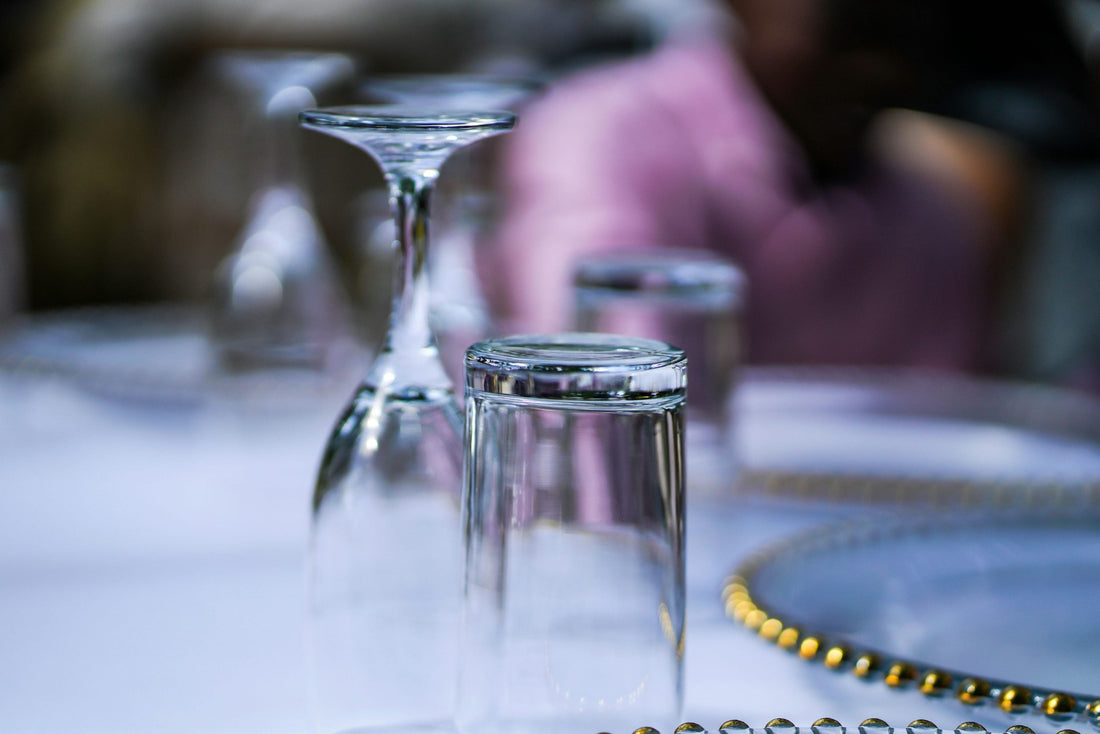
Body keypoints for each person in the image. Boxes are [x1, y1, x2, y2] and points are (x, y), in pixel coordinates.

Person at [482, 0, 1018, 371]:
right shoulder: (603, 134)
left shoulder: (932, 214)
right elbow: (595, 391)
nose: (880, 70)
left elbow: (940, 435)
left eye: (911, 38)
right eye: (851, 28)